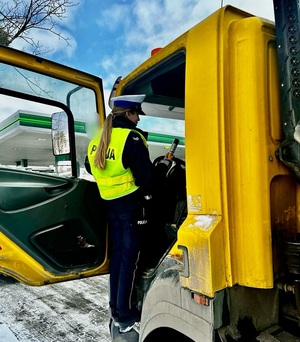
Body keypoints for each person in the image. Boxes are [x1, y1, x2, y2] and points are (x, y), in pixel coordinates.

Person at [87, 94, 154, 334]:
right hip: (130, 205)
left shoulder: (98, 138)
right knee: (129, 260)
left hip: (110, 205)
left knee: (118, 258)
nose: (138, 119)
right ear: (129, 114)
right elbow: (146, 178)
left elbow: (89, 166)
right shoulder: (132, 138)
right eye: (137, 114)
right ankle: (124, 315)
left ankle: (116, 309)